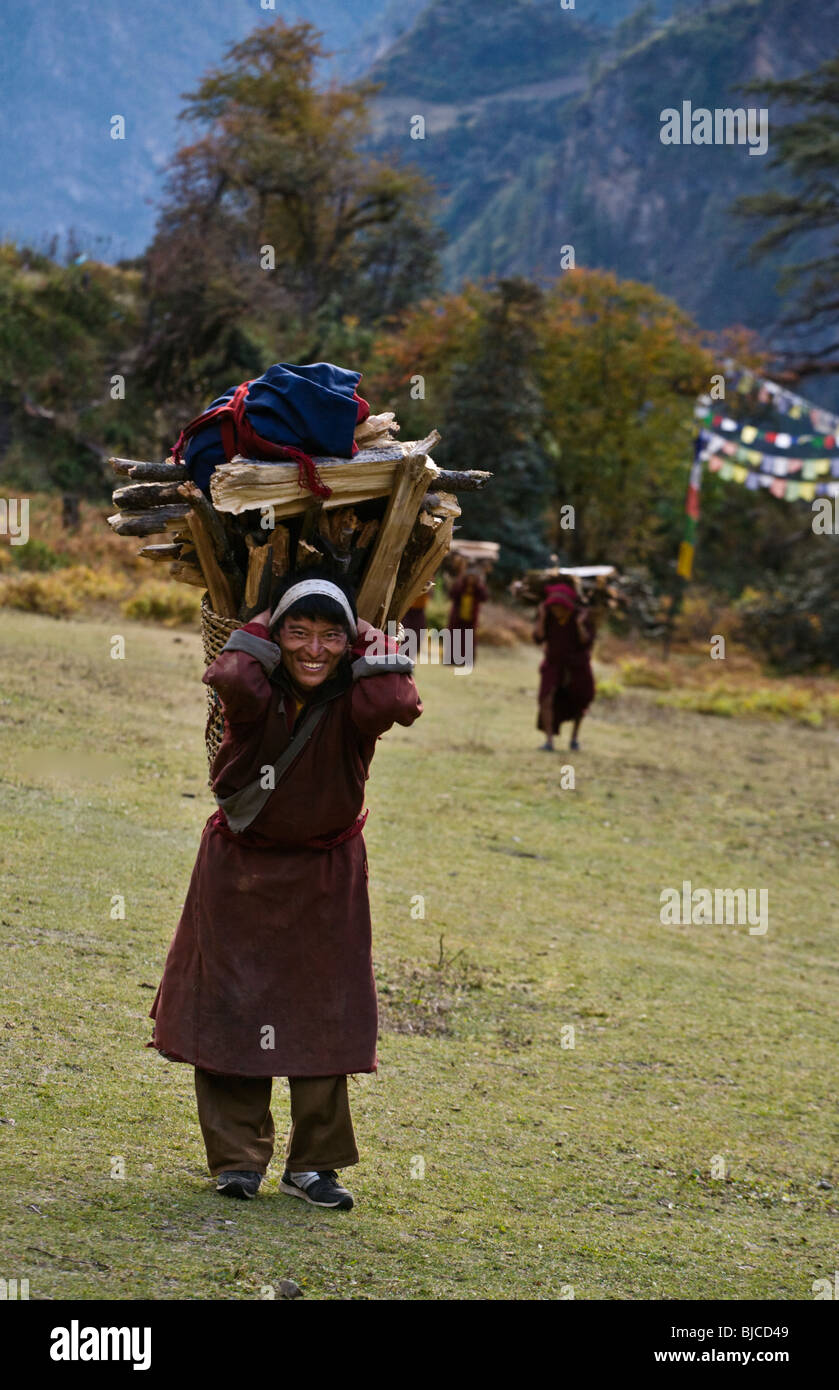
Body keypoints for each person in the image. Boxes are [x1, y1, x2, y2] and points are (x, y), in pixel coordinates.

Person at [148, 570, 422, 1209]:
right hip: (240, 870)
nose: (314, 650)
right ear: (274, 634)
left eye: (331, 635)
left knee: (325, 1012)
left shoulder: (353, 700)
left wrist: (366, 636)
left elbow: (394, 705)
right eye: (299, 632)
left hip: (325, 876)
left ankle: (314, 1167)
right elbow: (231, 675)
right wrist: (264, 625)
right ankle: (237, 1160)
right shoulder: (253, 696)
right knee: (233, 1007)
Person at [533, 580, 596, 751]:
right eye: (552, 607)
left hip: (576, 666)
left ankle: (574, 737)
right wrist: (542, 617)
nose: (556, 610)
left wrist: (579, 624)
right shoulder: (548, 616)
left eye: (558, 607)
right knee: (546, 698)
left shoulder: (579, 616)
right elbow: (538, 638)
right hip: (553, 664)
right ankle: (549, 741)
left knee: (579, 700)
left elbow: (587, 642)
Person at [447, 565, 489, 657]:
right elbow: (452, 594)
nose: (471, 580)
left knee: (469, 640)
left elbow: (485, 597)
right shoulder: (460, 587)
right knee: (454, 638)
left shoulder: (478, 590)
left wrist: (482, 579)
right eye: (469, 577)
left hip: (470, 619)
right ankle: (452, 658)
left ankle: (467, 659)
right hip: (457, 618)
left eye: (473, 578)